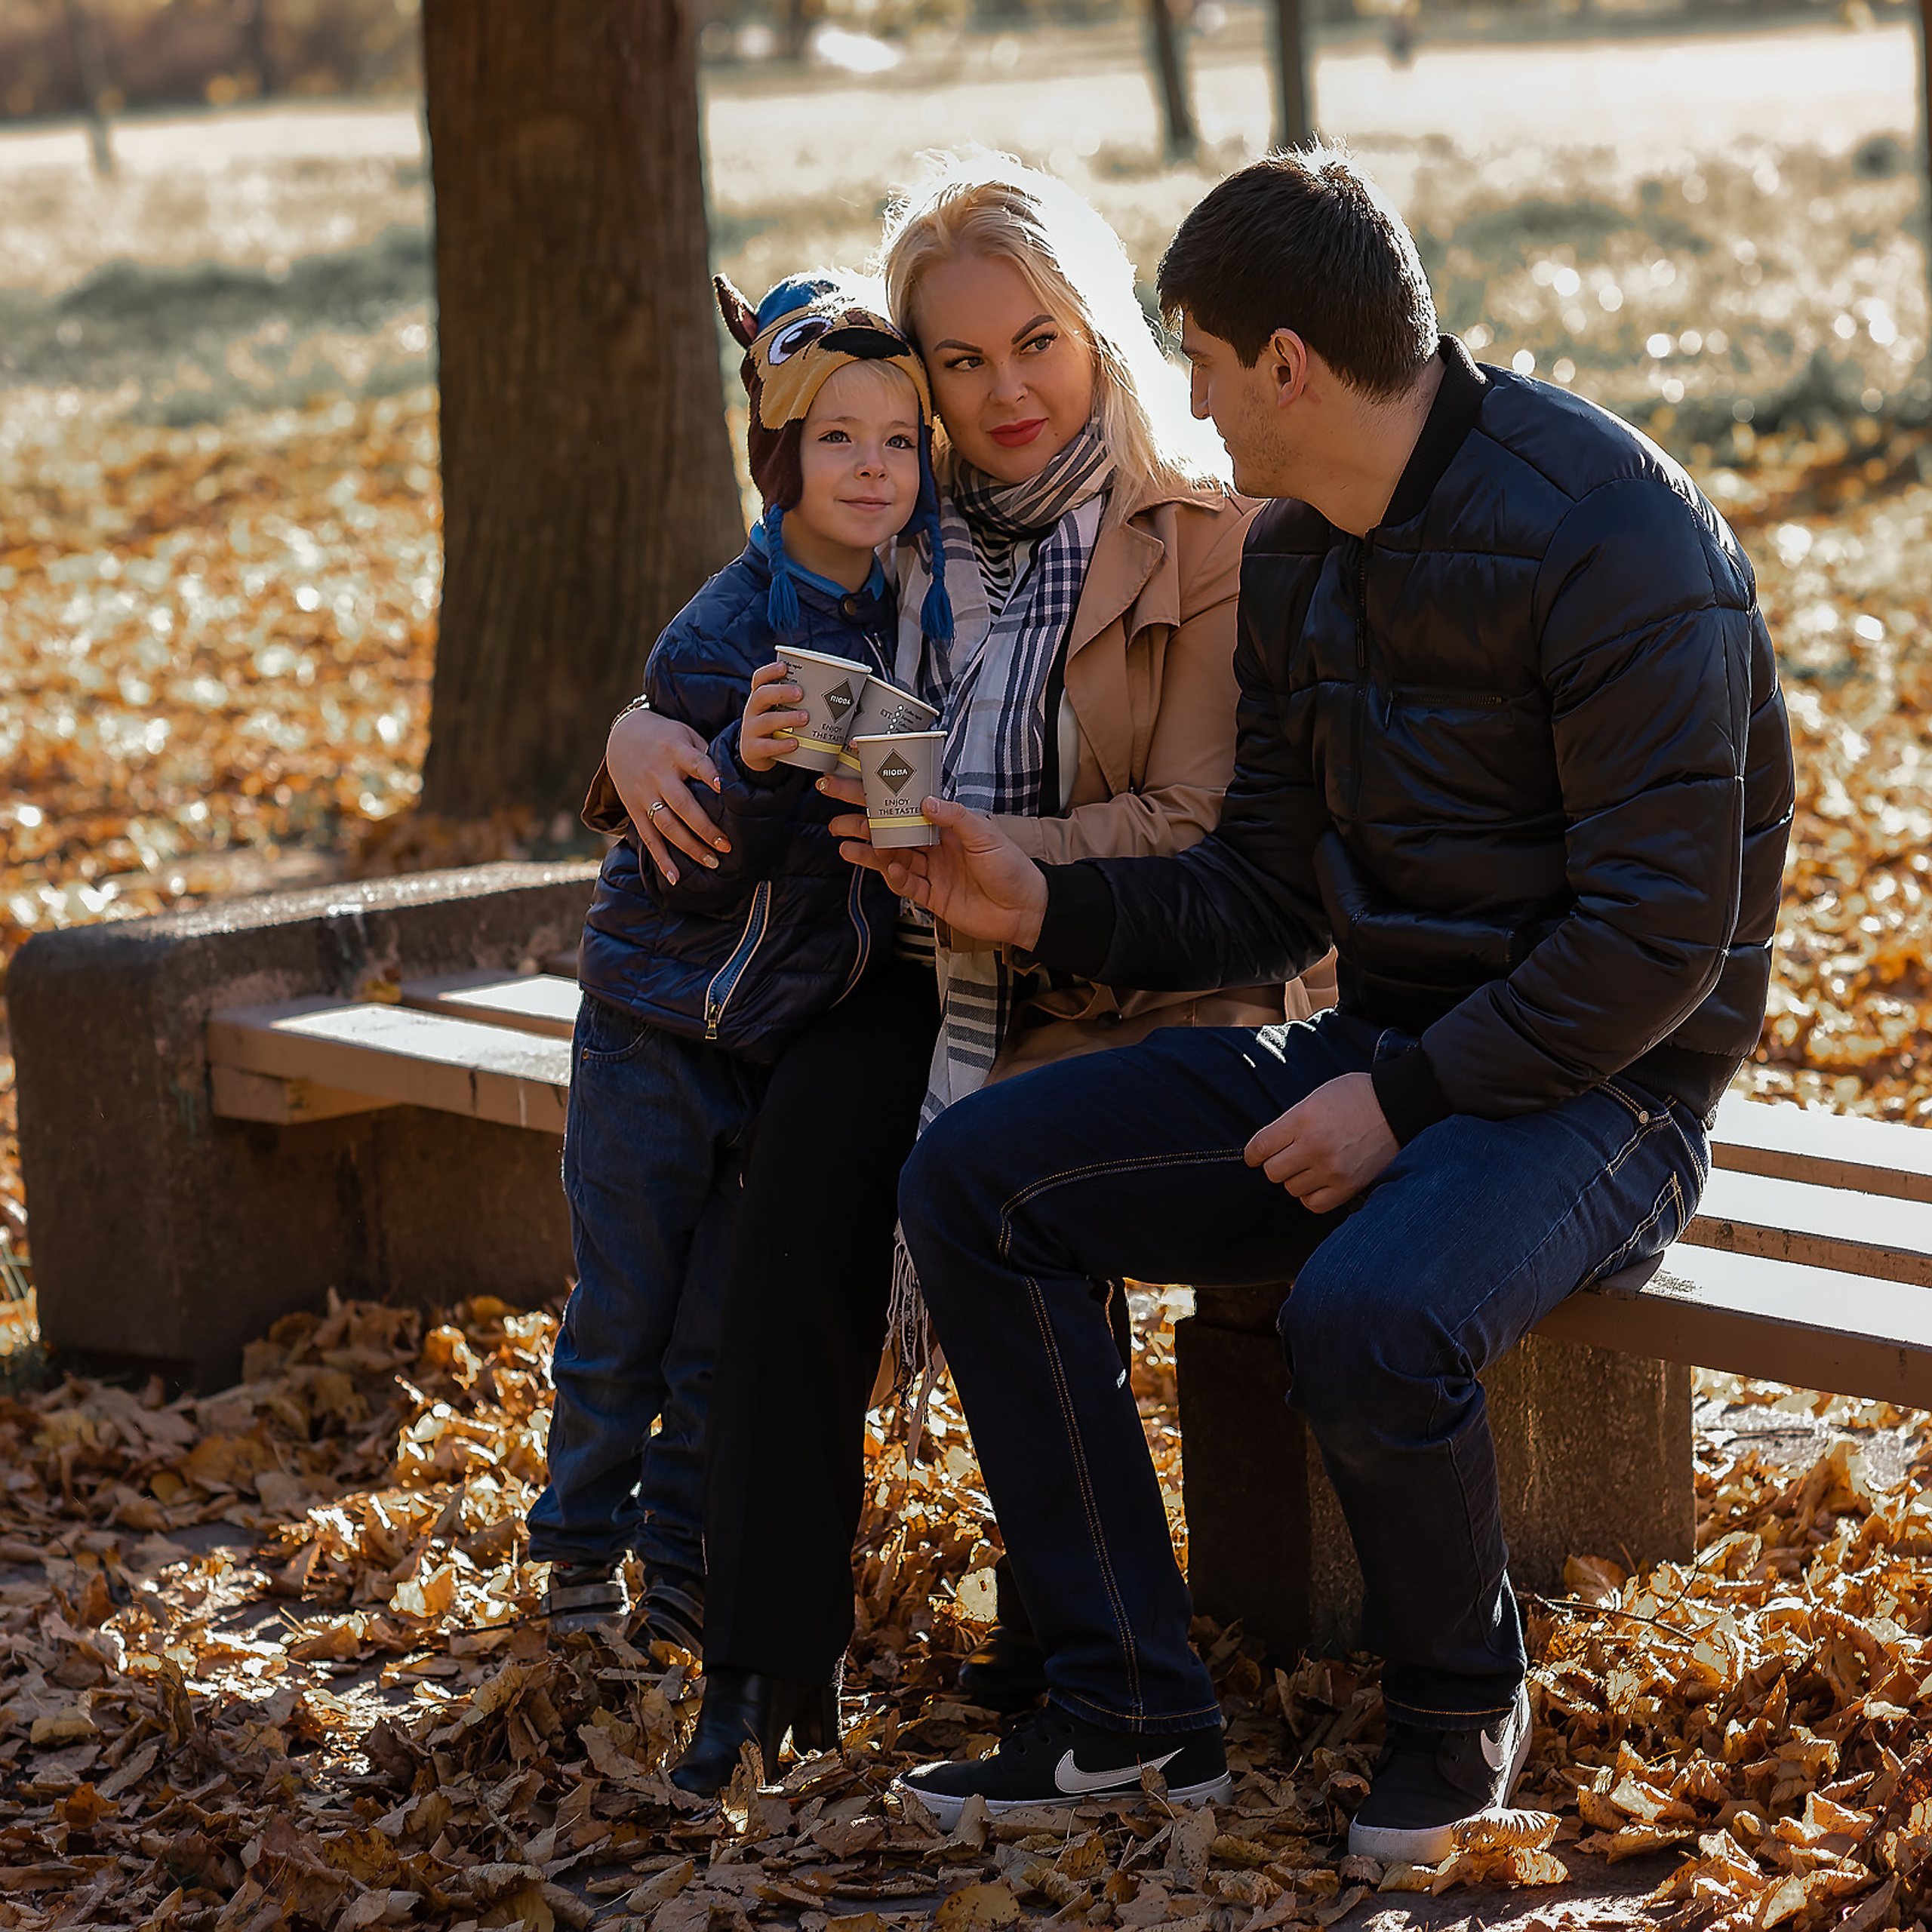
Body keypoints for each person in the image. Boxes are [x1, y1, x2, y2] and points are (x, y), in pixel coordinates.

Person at [850, 146, 1795, 1852]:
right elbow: (1264, 887)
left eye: (1196, 356)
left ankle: (1456, 1700)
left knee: (1357, 1312)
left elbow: (1657, 942)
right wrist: (1040, 893)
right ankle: (1130, 1703)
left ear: (1284, 362)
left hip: (1613, 1089)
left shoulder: (1617, 536)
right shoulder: (1295, 558)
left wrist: (1406, 1101)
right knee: (975, 1182)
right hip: (1388, 1043)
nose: (1183, 397)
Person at [605, 157, 1328, 1796]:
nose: (1002, 391)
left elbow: (1201, 830)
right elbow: (735, 628)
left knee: (979, 1162)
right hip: (932, 953)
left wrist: (1004, 857)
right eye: (957, 360)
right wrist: (637, 733)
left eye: (1039, 342)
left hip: (1133, 971)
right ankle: (763, 1654)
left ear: (1099, 332)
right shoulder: (902, 524)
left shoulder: (1203, 530)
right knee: (804, 1132)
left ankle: (1079, 1643)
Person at [526, 273, 953, 1660]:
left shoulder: (913, 617)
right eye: (837, 440)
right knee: (624, 1314)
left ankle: (682, 1564)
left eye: (899, 438)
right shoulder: (719, 636)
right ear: (781, 458)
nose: (873, 467)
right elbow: (686, 867)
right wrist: (753, 767)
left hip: (781, 1042)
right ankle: (576, 1552)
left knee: (718, 1328)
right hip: (657, 1027)